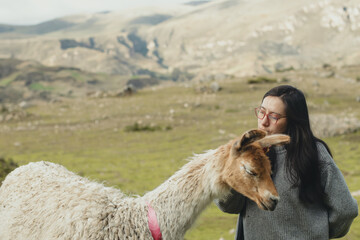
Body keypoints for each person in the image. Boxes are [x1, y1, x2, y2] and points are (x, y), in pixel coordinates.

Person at [216, 85, 358, 239]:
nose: (263, 122)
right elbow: (228, 206)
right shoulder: (248, 152)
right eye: (261, 112)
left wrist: (317, 233)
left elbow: (346, 209)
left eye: (274, 116)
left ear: (293, 120)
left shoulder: (315, 154)